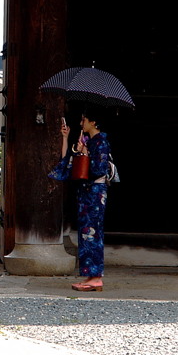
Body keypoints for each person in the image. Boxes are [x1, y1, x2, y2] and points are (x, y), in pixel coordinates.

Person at [48, 105, 112, 291]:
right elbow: (69, 163)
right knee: (86, 234)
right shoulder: (89, 141)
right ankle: (90, 275)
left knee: (93, 233)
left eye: (84, 119)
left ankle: (96, 277)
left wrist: (85, 154)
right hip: (86, 192)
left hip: (95, 192)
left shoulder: (101, 142)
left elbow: (99, 169)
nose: (81, 123)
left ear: (93, 122)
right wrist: (66, 138)